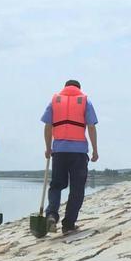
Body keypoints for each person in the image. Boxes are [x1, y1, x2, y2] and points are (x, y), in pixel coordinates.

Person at [41, 80, 99, 235]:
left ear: (65, 87)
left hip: (59, 151)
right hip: (79, 152)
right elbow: (91, 126)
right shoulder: (85, 100)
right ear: (79, 88)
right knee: (77, 189)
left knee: (56, 185)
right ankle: (68, 224)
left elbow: (48, 126)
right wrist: (95, 150)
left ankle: (52, 214)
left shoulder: (55, 100)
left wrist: (48, 148)